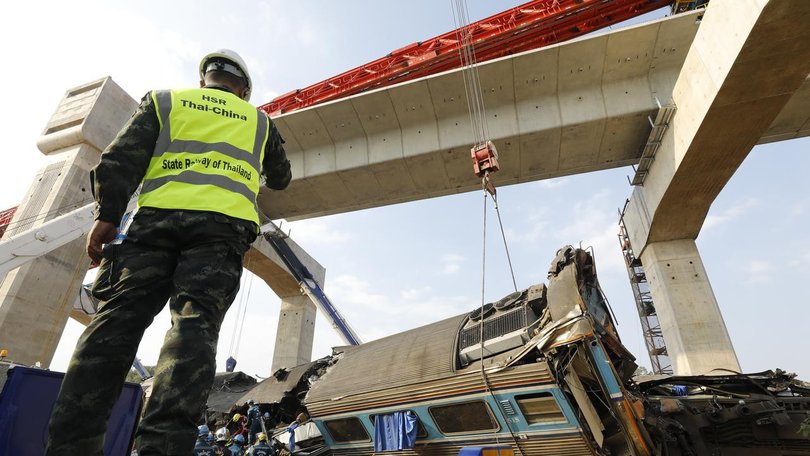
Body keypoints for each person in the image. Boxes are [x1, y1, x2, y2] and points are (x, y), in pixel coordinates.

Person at [45, 48, 291, 456]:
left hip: (153, 226)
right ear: (243, 90)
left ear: (203, 80)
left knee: (115, 324)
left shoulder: (165, 101)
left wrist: (108, 216)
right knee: (193, 332)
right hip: (220, 234)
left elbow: (119, 159)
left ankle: (71, 447)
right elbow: (281, 178)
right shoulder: (259, 122)